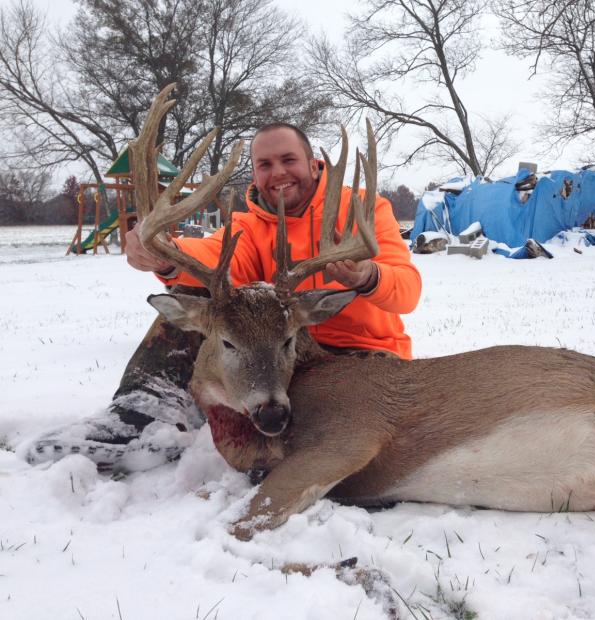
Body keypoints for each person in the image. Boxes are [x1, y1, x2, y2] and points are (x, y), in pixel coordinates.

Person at [23, 123, 421, 472]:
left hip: (358, 356)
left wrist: (369, 276)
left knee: (345, 439)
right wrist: (163, 257)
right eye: (265, 165)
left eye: (289, 160)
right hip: (273, 354)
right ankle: (143, 413)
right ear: (255, 173)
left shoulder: (362, 209)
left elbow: (407, 290)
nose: (278, 173)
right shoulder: (248, 224)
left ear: (315, 163)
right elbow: (210, 257)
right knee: (199, 303)